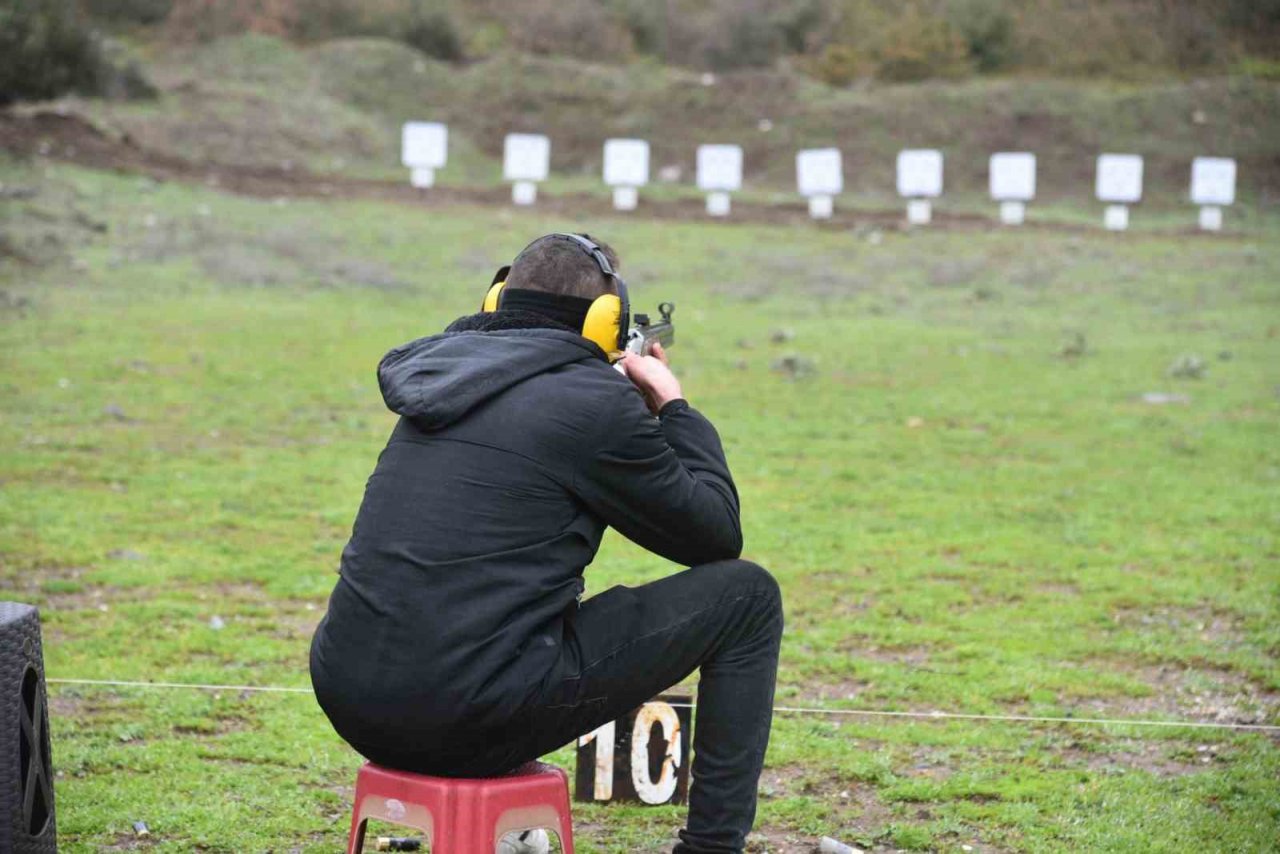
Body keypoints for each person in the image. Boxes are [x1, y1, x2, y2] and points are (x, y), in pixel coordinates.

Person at [310, 233, 784, 853]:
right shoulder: (595, 402)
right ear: (605, 321)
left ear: (497, 302)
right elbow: (715, 536)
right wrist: (671, 404)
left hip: (350, 696)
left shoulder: (440, 378)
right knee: (748, 597)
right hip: (467, 713)